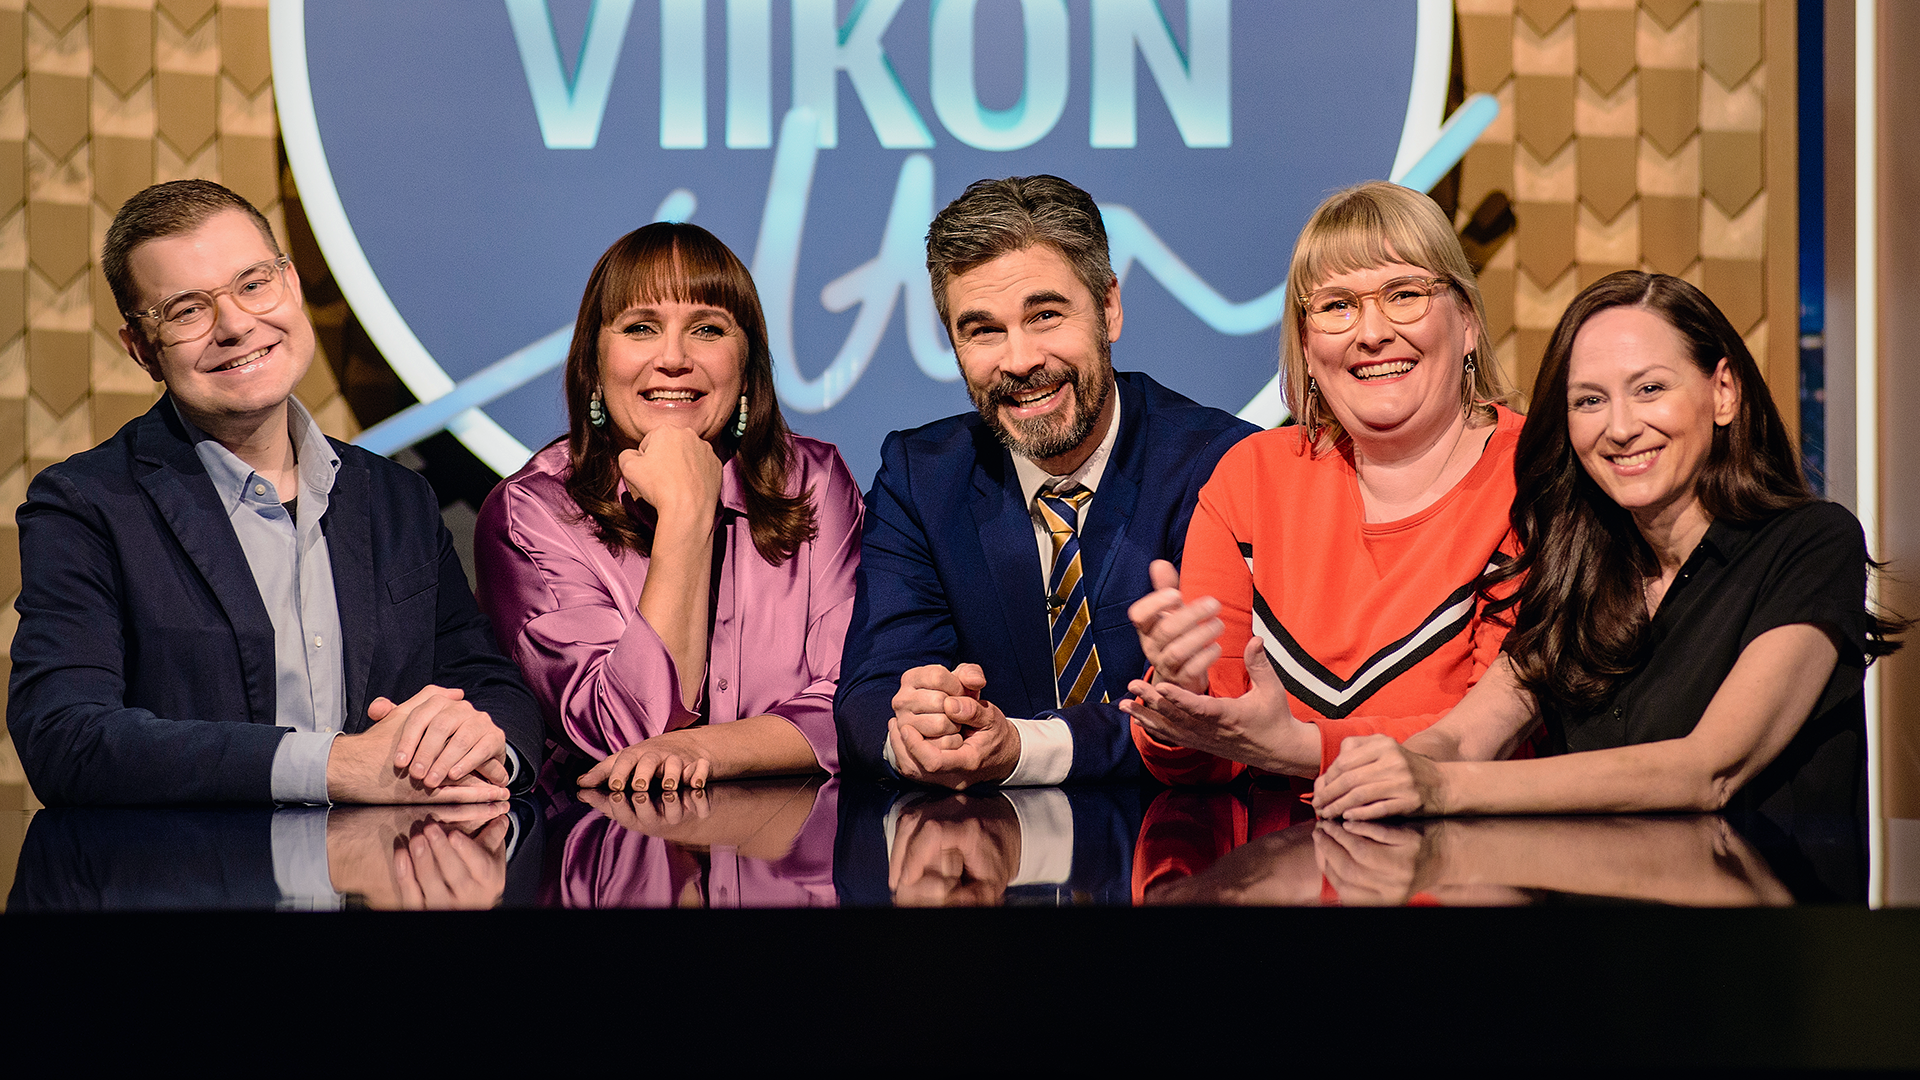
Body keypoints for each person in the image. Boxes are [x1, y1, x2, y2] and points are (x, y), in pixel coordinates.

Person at [9, 179, 543, 805]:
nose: (236, 325)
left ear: (290, 285)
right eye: (186, 310)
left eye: (253, 284)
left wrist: (485, 746)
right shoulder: (85, 506)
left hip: (397, 862)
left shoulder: (398, 498)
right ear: (141, 350)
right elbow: (66, 738)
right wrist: (333, 766)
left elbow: (486, 683)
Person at [1313, 271, 1900, 822]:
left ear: (1723, 391)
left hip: (1755, 899)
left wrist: (1444, 787)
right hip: (1585, 899)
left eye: (1649, 389)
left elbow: (1709, 770)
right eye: (1590, 401)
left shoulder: (1812, 543)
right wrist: (1396, 766)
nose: (1620, 428)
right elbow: (1466, 737)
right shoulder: (1580, 562)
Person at [834, 174, 1257, 788]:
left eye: (1046, 316)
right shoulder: (920, 477)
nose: (1020, 360)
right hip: (977, 842)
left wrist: (1023, 749)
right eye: (983, 330)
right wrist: (917, 730)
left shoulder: (1222, 464)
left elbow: (1229, 718)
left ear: (1109, 309)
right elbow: (870, 694)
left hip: (1190, 836)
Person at [1122, 181, 1523, 784]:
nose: (1372, 332)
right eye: (1337, 306)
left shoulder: (1539, 477)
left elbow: (1497, 741)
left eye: (1404, 294)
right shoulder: (1251, 478)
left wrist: (1297, 748)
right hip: (1266, 842)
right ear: (1307, 347)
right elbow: (1197, 766)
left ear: (1466, 321)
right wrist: (1185, 694)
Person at [475, 222, 861, 792]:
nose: (674, 358)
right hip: (611, 838)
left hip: (802, 838)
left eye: (707, 329)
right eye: (641, 328)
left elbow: (856, 697)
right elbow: (618, 733)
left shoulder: (814, 481)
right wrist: (686, 516)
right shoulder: (532, 513)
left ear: (746, 366)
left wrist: (703, 749)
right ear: (594, 364)